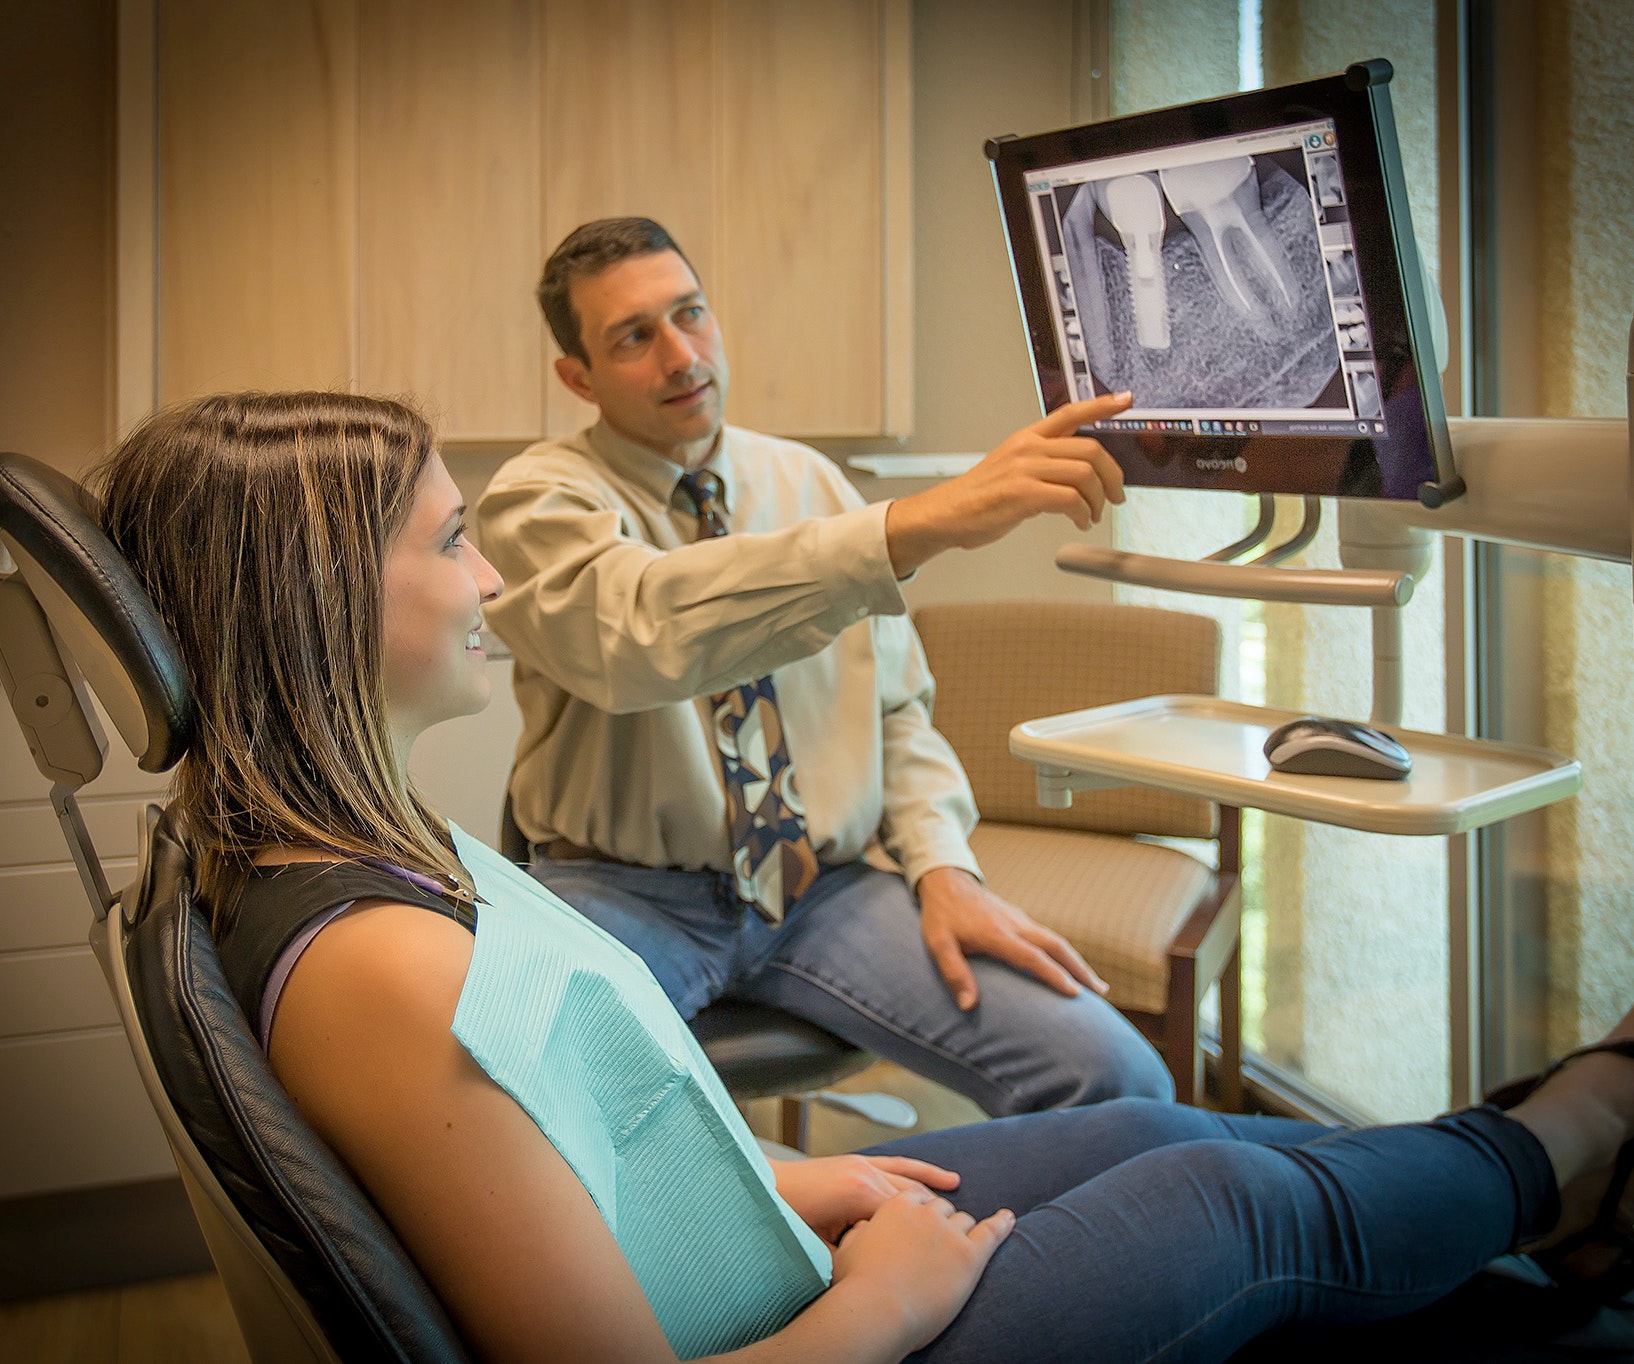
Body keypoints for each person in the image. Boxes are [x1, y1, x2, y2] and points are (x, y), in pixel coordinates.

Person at [96, 390, 1634, 1363]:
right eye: (448, 543)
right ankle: (1571, 1132)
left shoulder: (351, 856)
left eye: (690, 311)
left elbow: (582, 1139)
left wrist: (785, 1168)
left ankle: (1539, 1238)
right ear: (312, 600)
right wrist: (883, 1298)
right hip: (782, 1275)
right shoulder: (382, 962)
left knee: (1148, 1114)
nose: (485, 574)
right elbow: (638, 621)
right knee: (1231, 1198)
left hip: (805, 948)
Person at [477, 216, 1171, 1117]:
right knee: (502, 1104)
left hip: (822, 892)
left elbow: (897, 711)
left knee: (1115, 1078)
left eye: (690, 314)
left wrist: (943, 868)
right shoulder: (536, 501)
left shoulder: (811, 485)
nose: (682, 356)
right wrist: (913, 526)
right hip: (622, 892)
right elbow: (642, 632)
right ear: (579, 376)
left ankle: (946, 1215)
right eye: (633, 338)